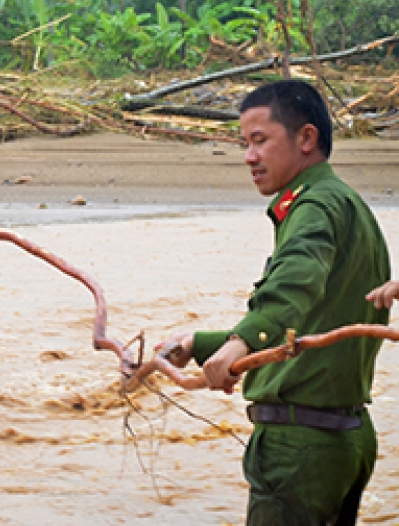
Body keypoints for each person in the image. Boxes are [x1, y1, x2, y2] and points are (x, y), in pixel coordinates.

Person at [161, 80, 390, 525]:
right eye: (245, 143)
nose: (249, 156)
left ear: (306, 138)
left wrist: (239, 344)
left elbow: (292, 286)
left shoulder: (313, 208)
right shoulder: (350, 207)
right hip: (348, 439)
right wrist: (201, 343)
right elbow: (306, 331)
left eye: (260, 141)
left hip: (301, 447)